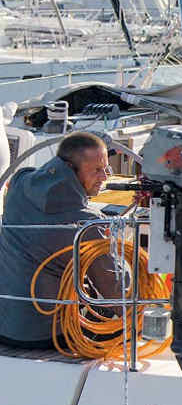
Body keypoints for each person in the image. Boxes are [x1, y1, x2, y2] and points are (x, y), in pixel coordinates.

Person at [0, 132, 120, 349]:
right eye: (96, 170)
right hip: (46, 335)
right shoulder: (87, 224)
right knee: (124, 324)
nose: (104, 177)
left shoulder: (18, 185)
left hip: (5, 328)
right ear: (72, 170)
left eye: (106, 169)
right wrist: (147, 314)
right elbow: (114, 292)